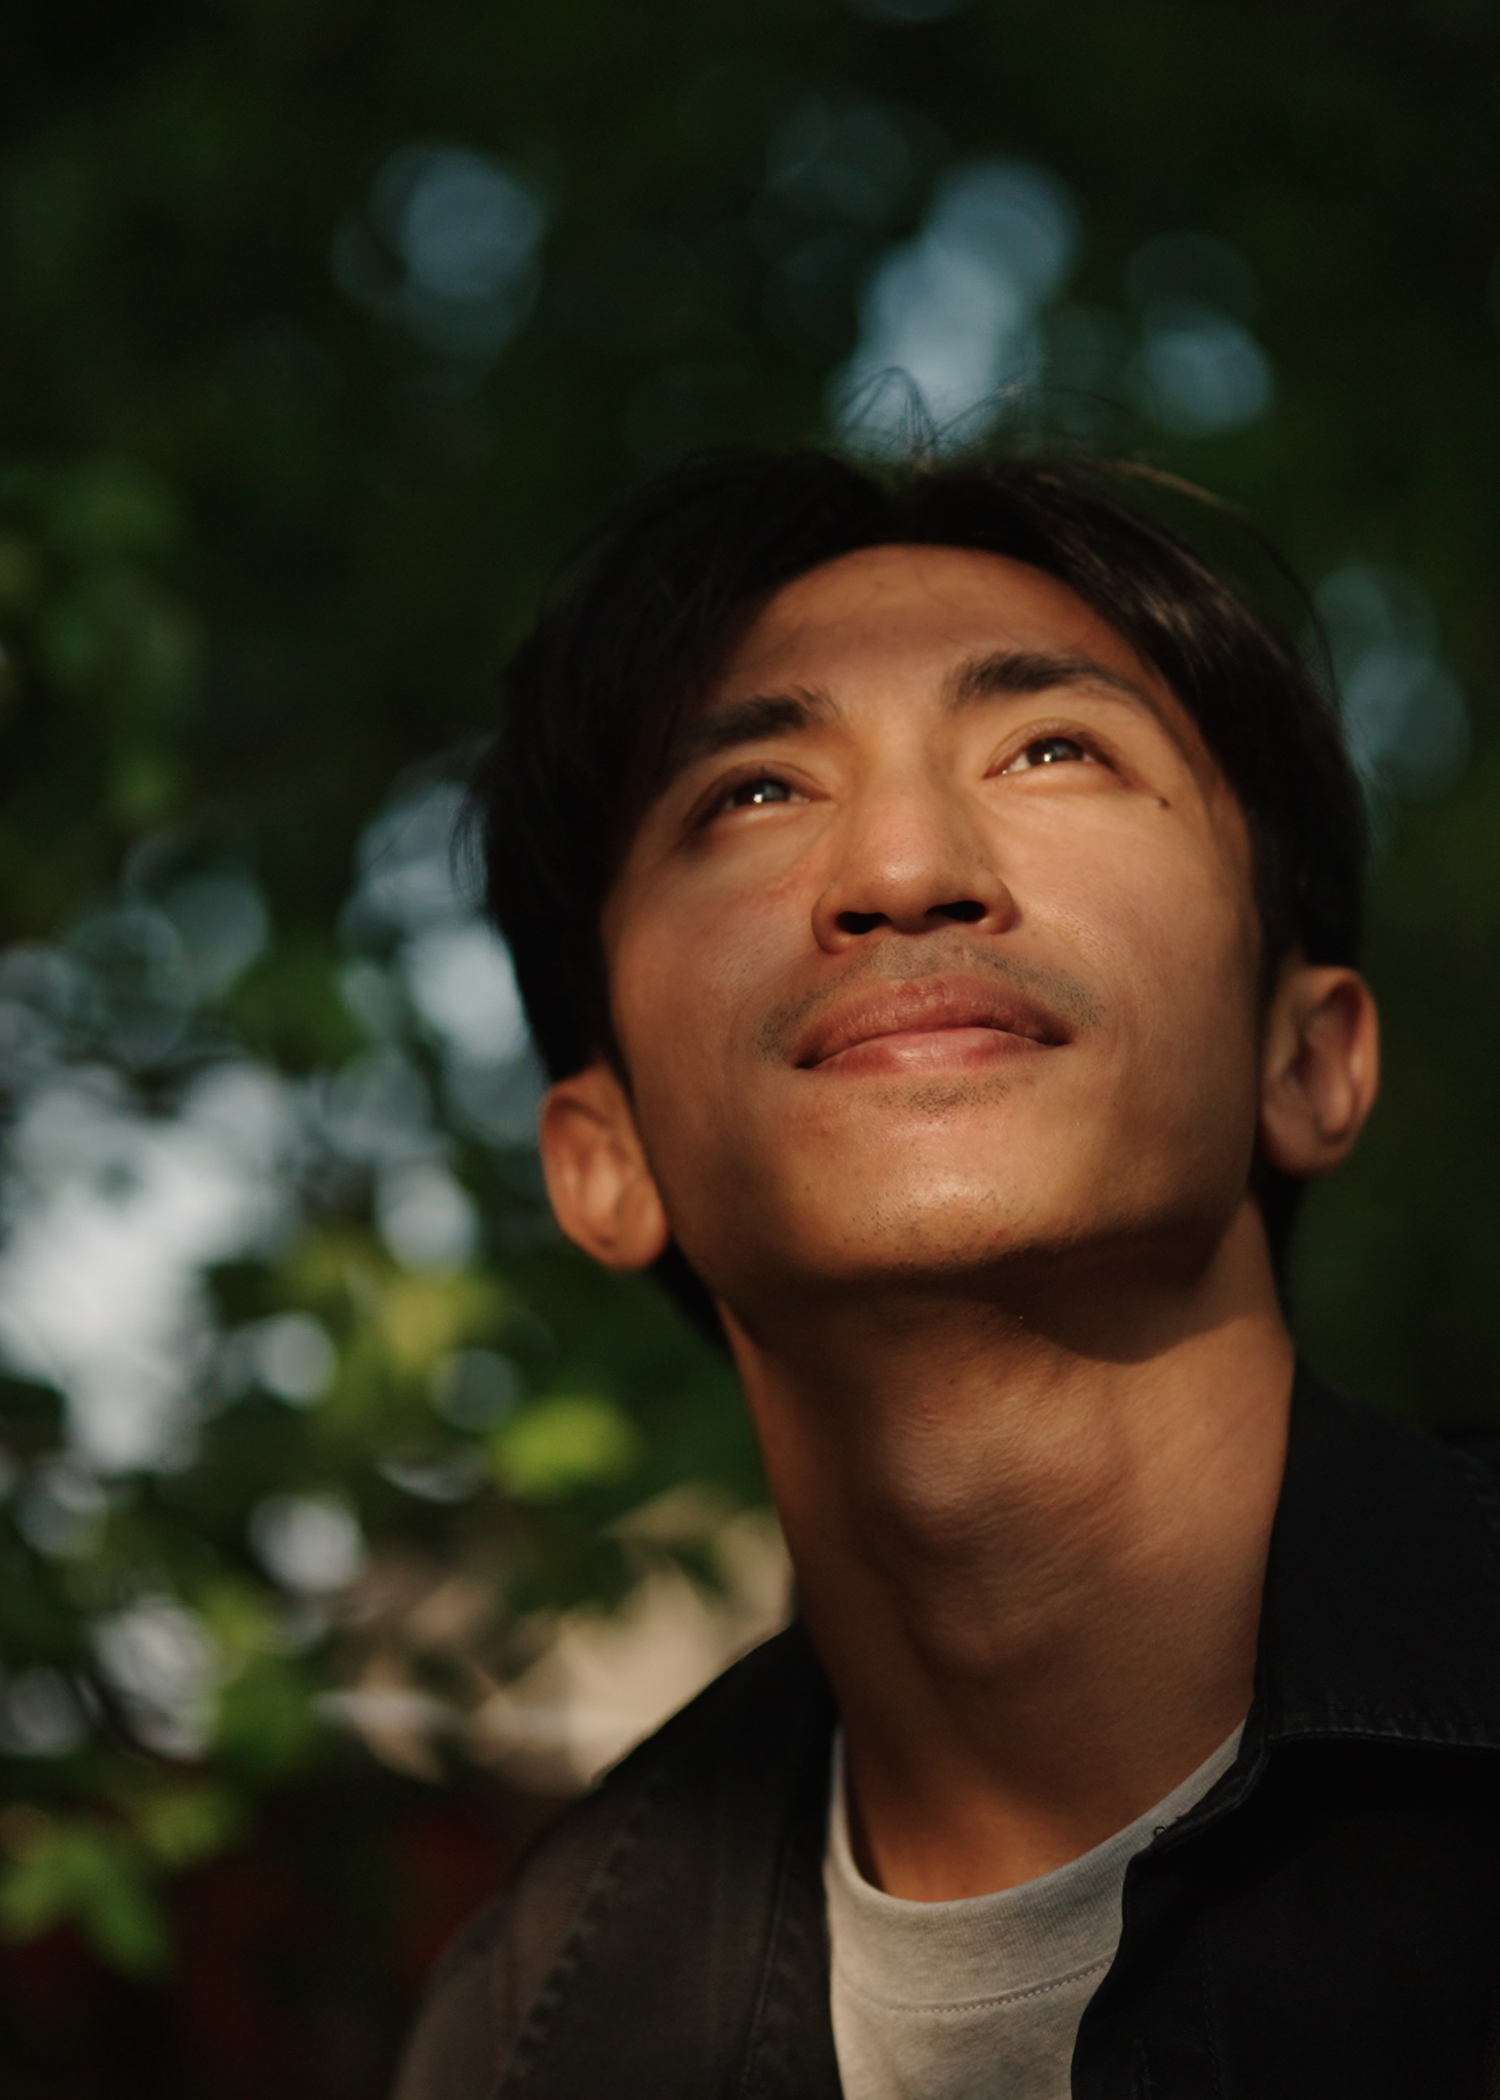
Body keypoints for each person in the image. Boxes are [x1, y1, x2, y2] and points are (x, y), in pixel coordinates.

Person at [394, 448, 1500, 2100]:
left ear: (1310, 1058)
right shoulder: (527, 2040)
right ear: (603, 1160)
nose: (906, 870)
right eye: (754, 793)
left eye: (1055, 747)